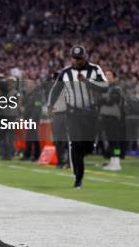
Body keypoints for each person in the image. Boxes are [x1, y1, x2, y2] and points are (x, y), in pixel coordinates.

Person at [47, 45, 109, 188]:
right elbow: (56, 89)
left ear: (85, 57)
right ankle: (78, 178)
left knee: (87, 147)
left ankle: (87, 149)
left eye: (79, 58)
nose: (76, 61)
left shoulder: (95, 69)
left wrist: (87, 81)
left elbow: (105, 86)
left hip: (90, 113)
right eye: (74, 58)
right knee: (75, 144)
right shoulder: (66, 72)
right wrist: (51, 105)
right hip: (73, 113)